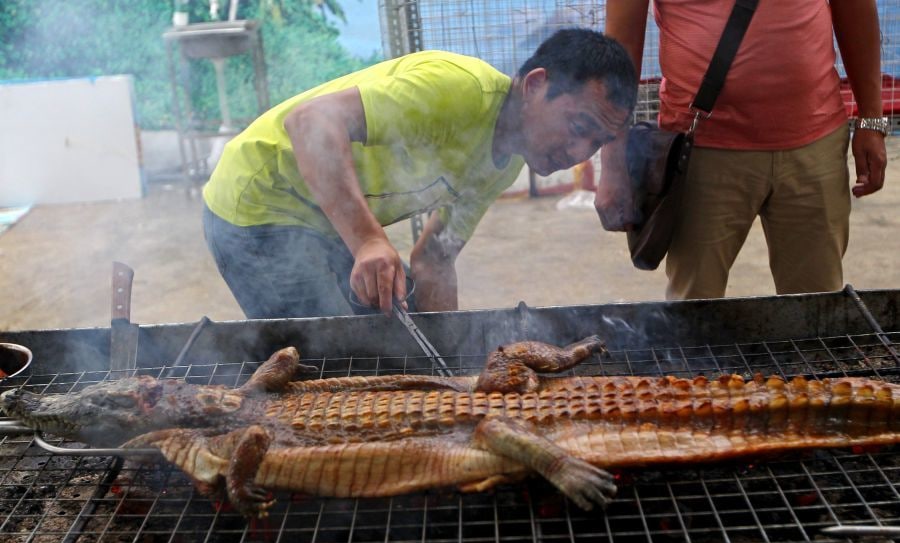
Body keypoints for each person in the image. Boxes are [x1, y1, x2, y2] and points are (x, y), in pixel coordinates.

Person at [203, 28, 637, 318]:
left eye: (596, 143)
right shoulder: (457, 90)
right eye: (579, 127)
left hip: (321, 223)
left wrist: (450, 364)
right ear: (535, 85)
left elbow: (435, 259)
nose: (580, 152)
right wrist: (370, 239)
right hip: (259, 202)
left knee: (398, 344)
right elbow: (310, 123)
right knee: (330, 364)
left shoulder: (504, 162)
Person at [595, 0, 888, 300]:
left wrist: (872, 118)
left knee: (816, 311)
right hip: (700, 153)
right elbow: (620, 46)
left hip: (814, 143)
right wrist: (613, 162)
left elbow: (855, 7)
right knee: (694, 312)